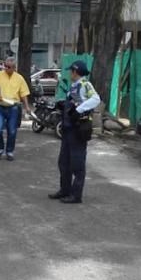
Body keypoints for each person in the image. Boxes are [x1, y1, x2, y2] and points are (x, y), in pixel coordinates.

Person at [49, 60, 100, 204]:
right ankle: (65, 190)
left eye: (71, 70)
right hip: (67, 129)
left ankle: (76, 195)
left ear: (75, 71)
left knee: (77, 163)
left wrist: (78, 110)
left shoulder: (85, 84)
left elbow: (96, 99)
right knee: (63, 162)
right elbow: (74, 102)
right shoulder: (73, 86)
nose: (70, 73)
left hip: (78, 130)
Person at [0, 57, 32, 162]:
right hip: (0, 106)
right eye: (5, 66)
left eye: (8, 67)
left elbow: (24, 94)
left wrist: (27, 107)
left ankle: (9, 151)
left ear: (14, 68)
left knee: (12, 131)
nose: (6, 68)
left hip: (13, 108)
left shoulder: (19, 78)